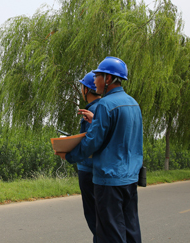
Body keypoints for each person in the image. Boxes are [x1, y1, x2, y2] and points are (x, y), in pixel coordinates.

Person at [56, 56, 143, 243]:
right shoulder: (133, 104)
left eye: (97, 76)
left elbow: (92, 142)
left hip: (109, 180)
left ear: (108, 79)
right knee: (130, 229)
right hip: (129, 178)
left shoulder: (105, 105)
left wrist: (69, 156)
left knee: (110, 233)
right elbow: (126, 138)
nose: (94, 81)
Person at [76, 72, 101, 241]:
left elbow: (88, 141)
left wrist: (70, 152)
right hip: (100, 170)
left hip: (87, 169)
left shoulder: (90, 110)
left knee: (93, 215)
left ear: (86, 89)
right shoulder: (104, 107)